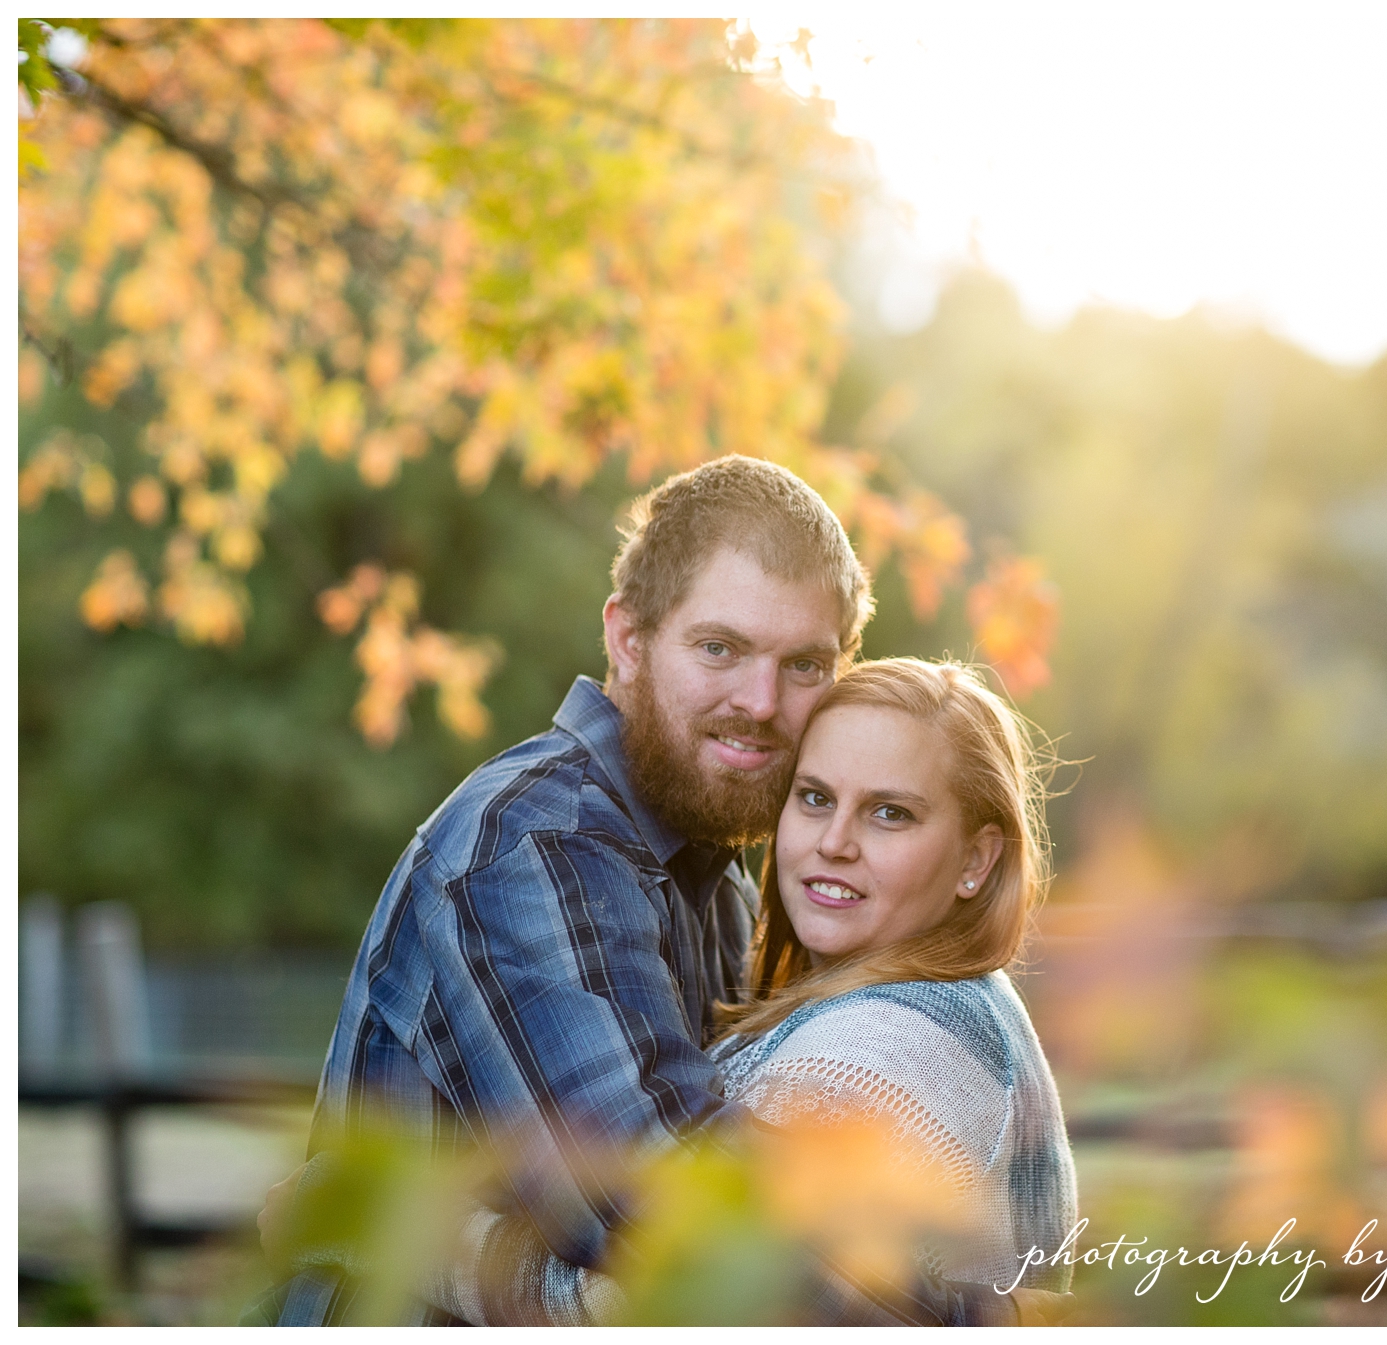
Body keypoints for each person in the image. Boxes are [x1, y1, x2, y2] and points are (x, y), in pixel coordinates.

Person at [262, 456, 1039, 1326]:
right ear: (628, 640)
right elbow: (675, 1222)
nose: (760, 701)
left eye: (805, 665)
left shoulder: (719, 883)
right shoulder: (533, 849)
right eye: (720, 647)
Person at [416, 658, 1077, 1324]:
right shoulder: (959, 1003)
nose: (835, 842)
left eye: (890, 812)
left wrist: (419, 1236)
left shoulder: (885, 1046)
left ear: (976, 859)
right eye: (815, 796)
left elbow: (692, 1308)